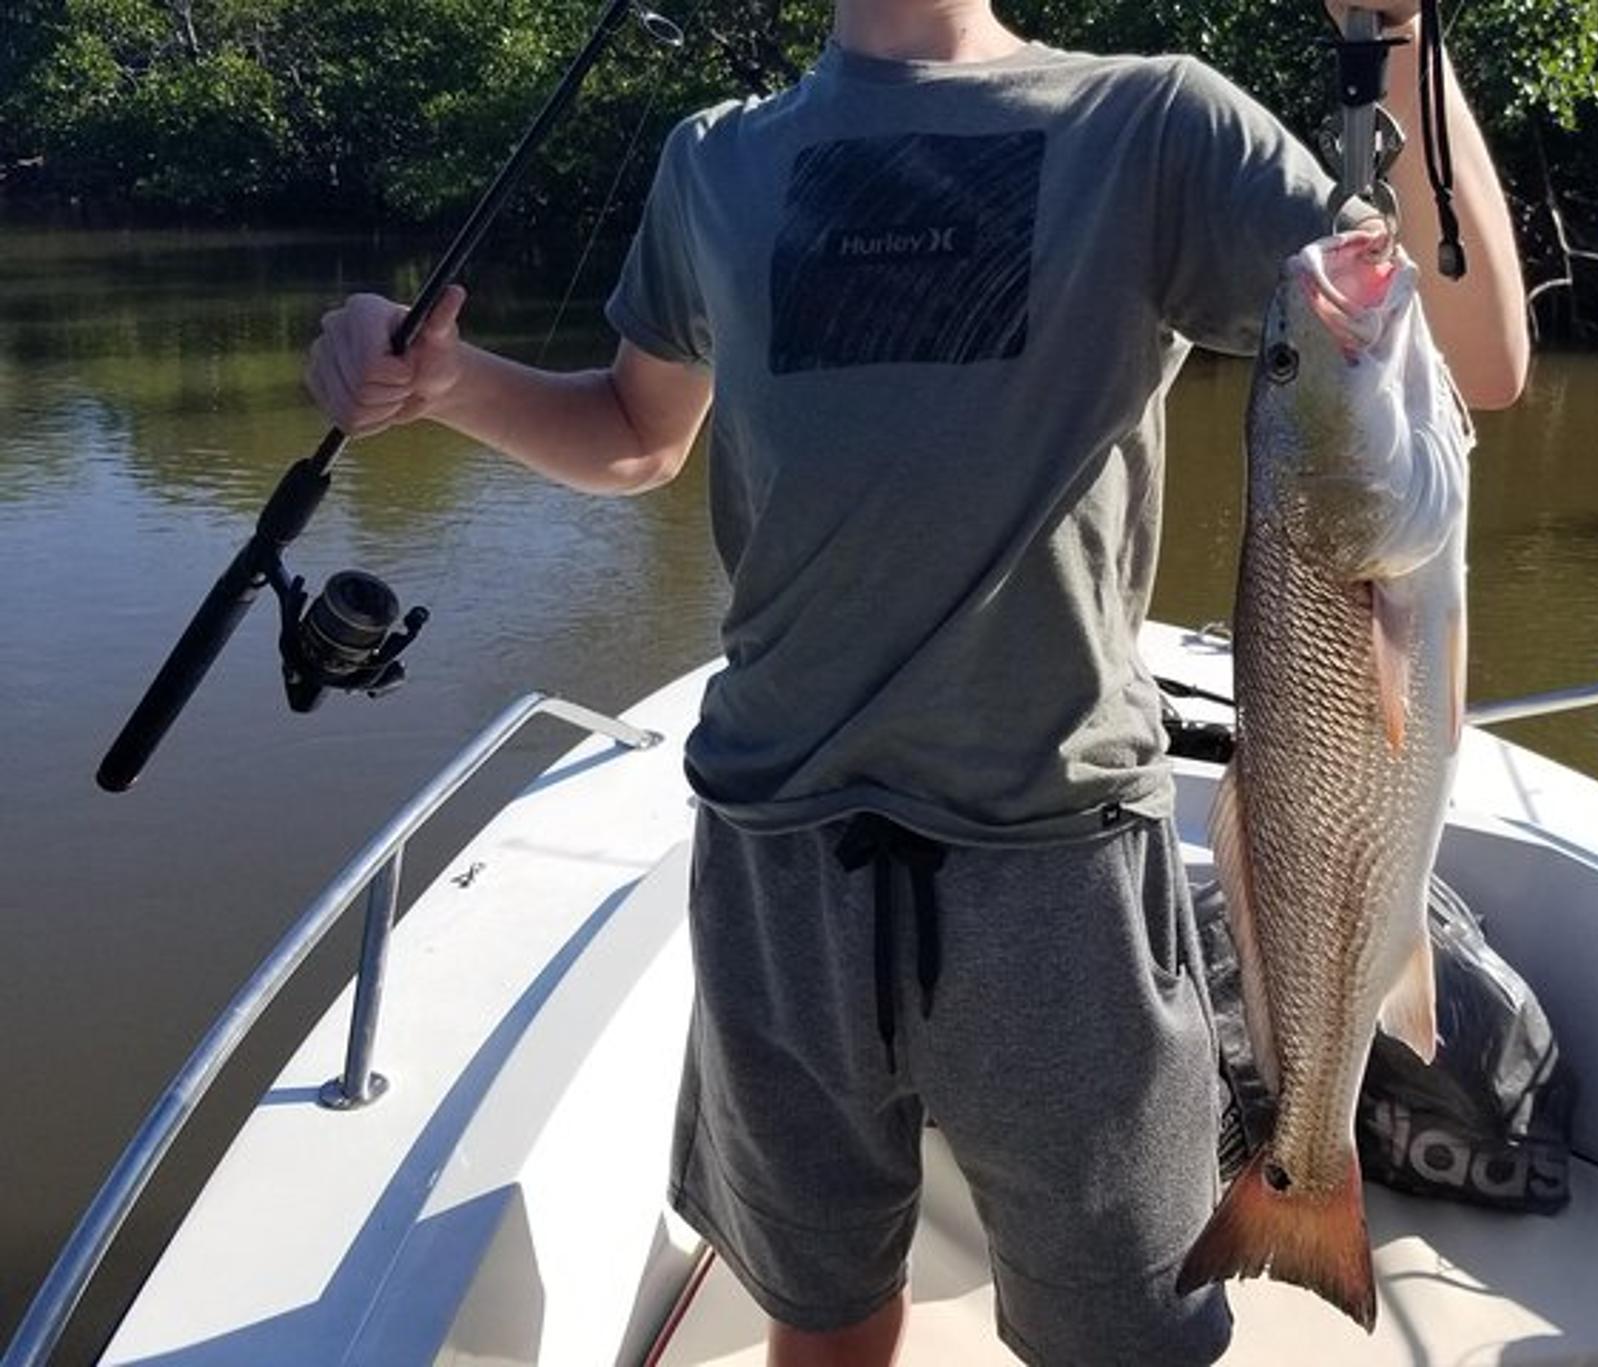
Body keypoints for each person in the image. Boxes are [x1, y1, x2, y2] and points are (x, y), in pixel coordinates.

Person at [306, 2, 1526, 1362]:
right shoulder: (717, 158)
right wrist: (448, 384)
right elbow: (638, 434)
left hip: (1054, 861)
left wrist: (1405, 39)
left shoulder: (1154, 123)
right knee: (820, 1317)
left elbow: (1474, 359)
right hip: (775, 851)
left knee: (1126, 1337)